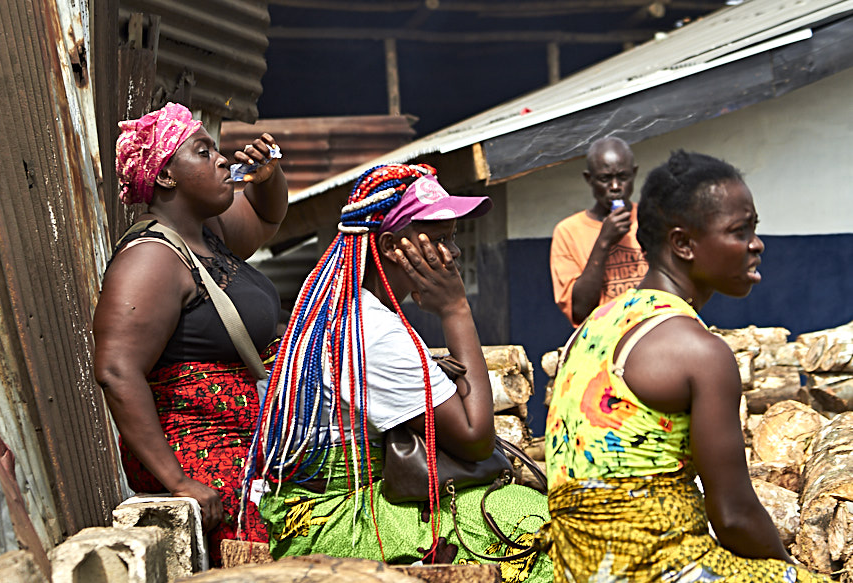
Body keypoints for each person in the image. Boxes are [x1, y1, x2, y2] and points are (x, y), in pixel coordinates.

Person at [241, 164, 552, 583]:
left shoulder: (340, 306)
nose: (453, 252)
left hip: (314, 501)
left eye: (452, 238)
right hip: (335, 517)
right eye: (440, 239)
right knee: (530, 526)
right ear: (390, 246)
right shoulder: (373, 331)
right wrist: (456, 310)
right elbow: (477, 438)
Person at [539, 150, 831, 581]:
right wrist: (790, 572)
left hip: (578, 570)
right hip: (657, 568)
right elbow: (733, 516)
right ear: (683, 244)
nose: (756, 244)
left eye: (755, 228)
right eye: (739, 230)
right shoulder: (699, 351)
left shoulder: (595, 327)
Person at [93, 102, 288, 564]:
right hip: (201, 452)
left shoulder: (208, 234)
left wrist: (269, 177)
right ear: (166, 177)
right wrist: (179, 483)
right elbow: (117, 370)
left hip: (247, 439)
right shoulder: (152, 259)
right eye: (203, 152)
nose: (222, 160)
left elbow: (267, 220)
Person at [550, 136, 647, 327]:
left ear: (634, 174)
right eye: (605, 179)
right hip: (603, 338)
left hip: (652, 332)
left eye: (623, 177)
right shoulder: (568, 231)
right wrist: (604, 241)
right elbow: (580, 311)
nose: (615, 187)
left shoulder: (652, 218)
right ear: (589, 179)